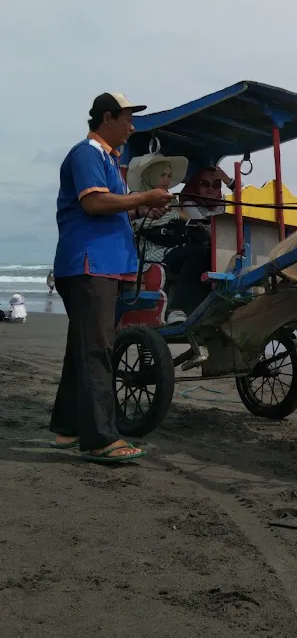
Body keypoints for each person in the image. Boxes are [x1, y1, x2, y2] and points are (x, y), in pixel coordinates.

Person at [50, 92, 172, 464]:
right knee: (97, 348)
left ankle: (68, 427)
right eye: (127, 119)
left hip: (100, 264)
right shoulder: (87, 153)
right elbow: (93, 203)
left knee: (83, 347)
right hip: (90, 265)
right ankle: (102, 438)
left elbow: (110, 211)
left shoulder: (106, 160)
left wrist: (139, 210)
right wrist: (141, 198)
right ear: (107, 118)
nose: (132, 127)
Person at [162, 166, 234, 322]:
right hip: (177, 248)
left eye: (215, 185)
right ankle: (178, 309)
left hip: (211, 249)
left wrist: (229, 181)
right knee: (202, 254)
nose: (210, 189)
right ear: (196, 185)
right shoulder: (189, 203)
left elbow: (246, 203)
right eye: (205, 183)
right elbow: (206, 227)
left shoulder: (223, 205)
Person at [126, 152, 189, 264]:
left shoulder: (171, 199)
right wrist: (177, 214)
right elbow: (143, 223)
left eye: (169, 176)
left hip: (172, 245)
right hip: (149, 252)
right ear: (151, 175)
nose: (166, 180)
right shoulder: (137, 197)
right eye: (162, 175)